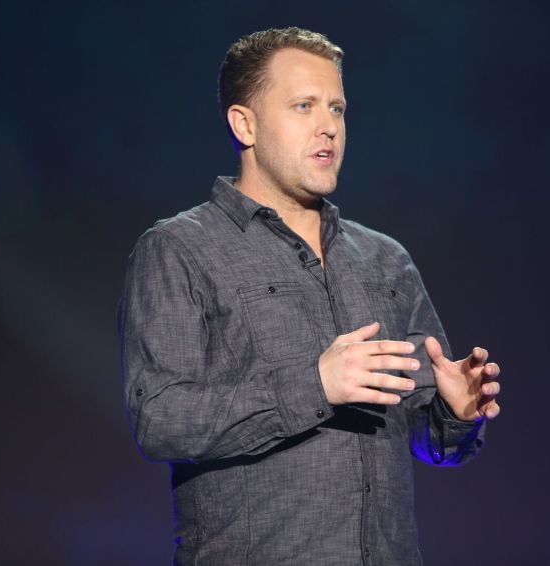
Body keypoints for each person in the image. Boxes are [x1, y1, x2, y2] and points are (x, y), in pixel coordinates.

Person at [118, 27, 502, 565]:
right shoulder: (179, 249)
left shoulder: (385, 258)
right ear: (244, 123)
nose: (329, 127)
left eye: (338, 109)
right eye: (304, 106)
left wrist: (455, 414)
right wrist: (315, 384)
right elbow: (161, 421)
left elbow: (430, 442)